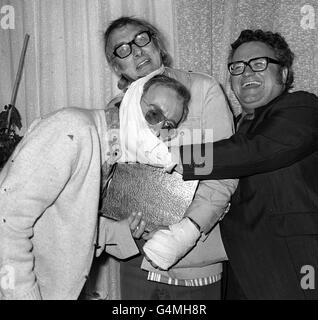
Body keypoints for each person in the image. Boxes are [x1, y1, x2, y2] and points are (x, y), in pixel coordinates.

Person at [0, 75, 189, 300]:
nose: (157, 130)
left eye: (168, 127)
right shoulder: (73, 129)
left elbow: (63, 221)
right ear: (130, 99)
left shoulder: (107, 148)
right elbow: (6, 220)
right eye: (154, 114)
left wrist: (121, 231)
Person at [103, 16, 237, 300]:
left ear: (156, 42)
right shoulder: (116, 111)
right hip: (135, 261)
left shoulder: (201, 90)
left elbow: (222, 172)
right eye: (123, 49)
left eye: (142, 39)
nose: (137, 51)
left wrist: (184, 232)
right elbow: (110, 182)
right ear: (117, 66)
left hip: (193, 262)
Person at [177, 29, 318, 299]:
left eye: (259, 64)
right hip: (242, 275)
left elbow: (252, 153)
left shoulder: (303, 108)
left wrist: (175, 157)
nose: (247, 73)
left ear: (284, 74)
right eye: (237, 67)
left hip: (299, 272)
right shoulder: (232, 130)